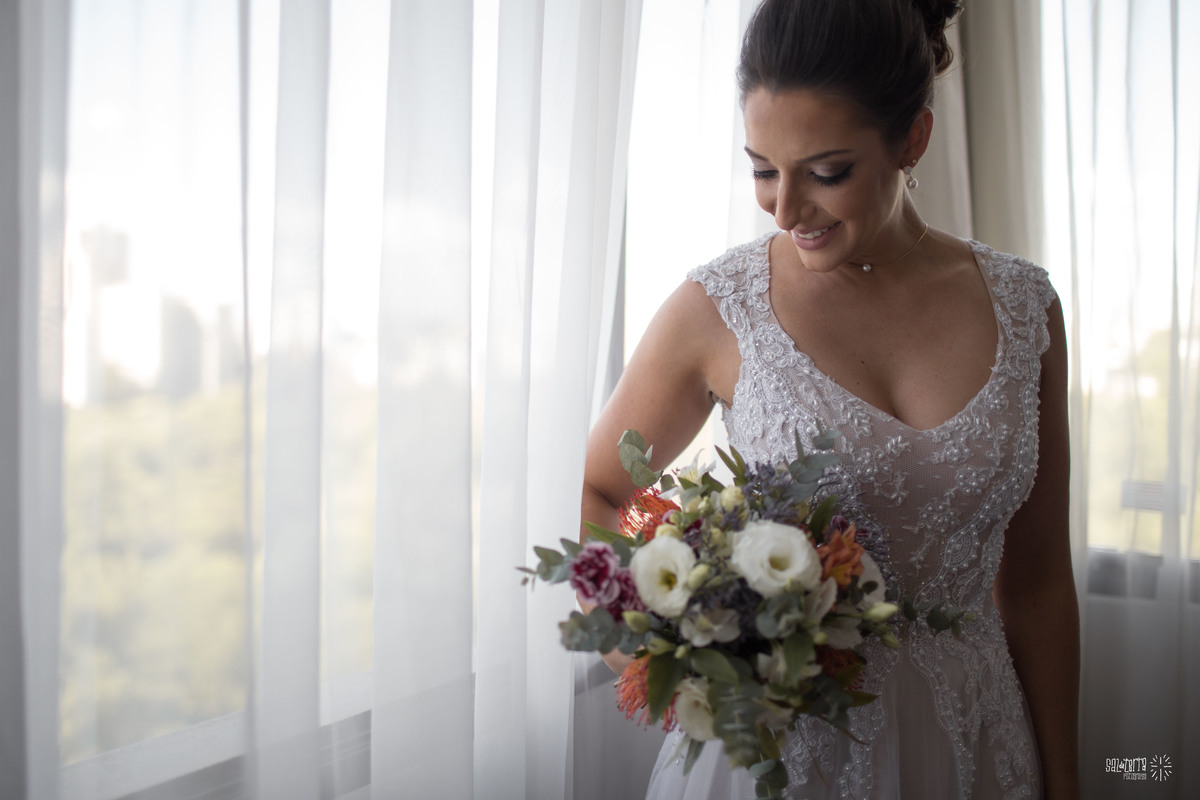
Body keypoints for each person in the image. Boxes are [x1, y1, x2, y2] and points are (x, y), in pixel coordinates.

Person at [578, 0, 1080, 797]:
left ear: (912, 139)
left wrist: (1065, 780)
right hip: (786, 755)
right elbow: (602, 487)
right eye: (762, 169)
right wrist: (658, 649)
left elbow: (1040, 579)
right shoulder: (718, 305)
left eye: (826, 172)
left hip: (973, 744)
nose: (784, 209)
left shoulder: (1026, 308)